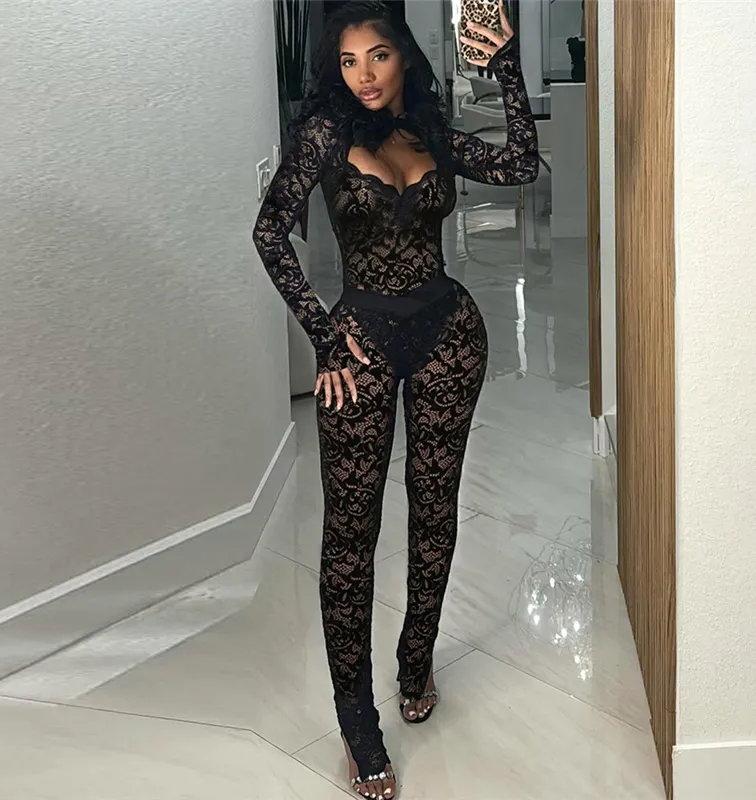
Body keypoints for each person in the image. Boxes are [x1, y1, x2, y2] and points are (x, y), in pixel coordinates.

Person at [253, 1, 537, 797]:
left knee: (435, 510)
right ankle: (356, 721)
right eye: (348, 62)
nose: (364, 76)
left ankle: (417, 662)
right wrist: (322, 335)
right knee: (351, 533)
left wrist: (507, 68)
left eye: (377, 56)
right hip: (361, 344)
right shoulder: (323, 134)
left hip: (450, 332)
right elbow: (270, 231)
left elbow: (520, 164)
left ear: (403, 55)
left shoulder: (431, 131)